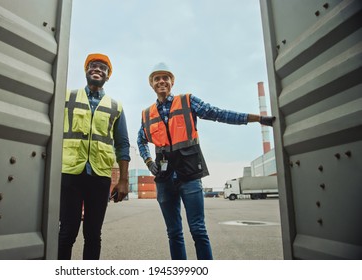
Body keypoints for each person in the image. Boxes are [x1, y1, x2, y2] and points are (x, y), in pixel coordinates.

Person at [137, 62, 275, 260]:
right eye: (157, 78)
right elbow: (140, 140)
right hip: (164, 178)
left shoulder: (187, 101)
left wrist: (257, 118)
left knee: (198, 231)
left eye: (165, 77)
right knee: (174, 233)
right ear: (151, 84)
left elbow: (219, 114)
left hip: (189, 174)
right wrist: (149, 162)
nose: (161, 81)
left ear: (172, 82)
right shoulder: (146, 114)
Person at [58, 53, 130, 260]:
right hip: (70, 173)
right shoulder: (67, 97)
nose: (97, 69)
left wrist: (123, 180)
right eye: (93, 66)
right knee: (67, 232)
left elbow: (123, 144)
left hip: (99, 176)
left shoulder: (116, 107)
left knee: (92, 235)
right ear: (86, 71)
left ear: (108, 76)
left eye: (103, 68)